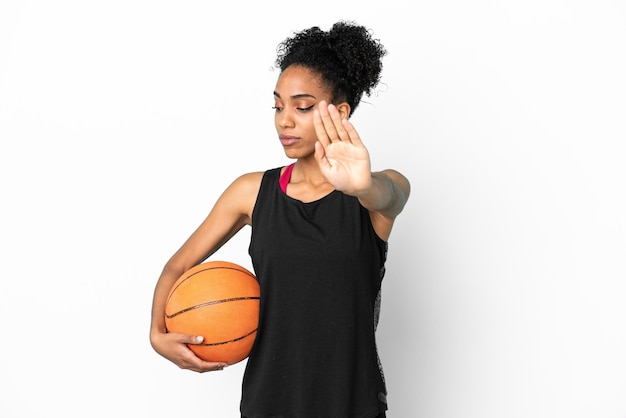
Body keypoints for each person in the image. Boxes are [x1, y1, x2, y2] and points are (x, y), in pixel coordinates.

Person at [150, 20, 410, 418]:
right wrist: (158, 334)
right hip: (268, 405)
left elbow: (392, 194)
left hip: (352, 406)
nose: (284, 120)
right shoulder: (251, 193)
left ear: (340, 112)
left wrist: (361, 186)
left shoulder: (374, 192)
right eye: (278, 105)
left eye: (302, 106)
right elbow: (178, 266)